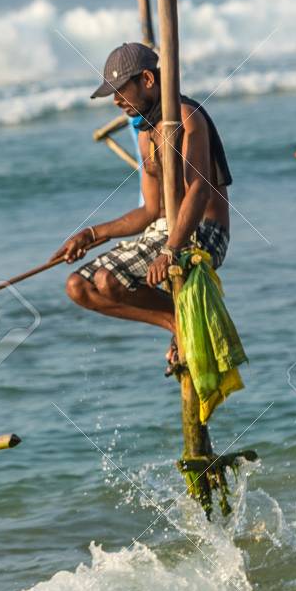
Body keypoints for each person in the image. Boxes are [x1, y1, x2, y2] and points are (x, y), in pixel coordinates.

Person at [57, 42, 232, 372]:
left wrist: (171, 249)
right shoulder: (144, 134)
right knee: (78, 286)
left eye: (121, 90)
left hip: (201, 231)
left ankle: (180, 323)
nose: (116, 101)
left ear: (147, 80)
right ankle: (175, 321)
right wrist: (92, 233)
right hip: (160, 232)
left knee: (110, 280)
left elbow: (199, 192)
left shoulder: (186, 117)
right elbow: (150, 212)